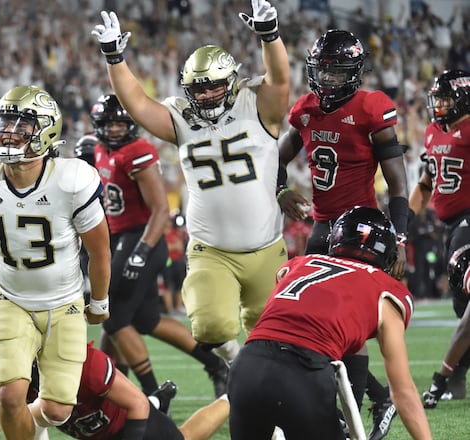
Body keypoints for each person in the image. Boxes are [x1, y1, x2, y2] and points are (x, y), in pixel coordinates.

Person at [91, 0, 290, 364]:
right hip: (211, 248)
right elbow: (136, 103)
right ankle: (233, 360)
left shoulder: (257, 103)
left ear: (231, 81)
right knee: (211, 327)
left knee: (277, 339)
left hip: (266, 245)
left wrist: (270, 36)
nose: (206, 95)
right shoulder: (181, 118)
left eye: (214, 87)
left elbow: (280, 78)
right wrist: (114, 59)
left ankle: (269, 392)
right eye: (198, 89)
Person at [0, 85, 111, 440]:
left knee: (56, 410)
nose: (9, 132)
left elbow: (99, 249)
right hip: (11, 302)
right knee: (9, 397)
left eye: (22, 125)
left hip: (64, 303)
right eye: (4, 123)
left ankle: (34, 428)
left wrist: (99, 301)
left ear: (47, 130)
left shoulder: (72, 179)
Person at [275, 29, 410, 437]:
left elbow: (399, 185)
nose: (328, 80)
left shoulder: (371, 108)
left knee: (347, 322)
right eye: (323, 72)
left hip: (361, 230)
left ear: (354, 73)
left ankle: (350, 413)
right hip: (322, 226)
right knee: (312, 322)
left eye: (337, 73)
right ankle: (375, 397)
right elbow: (274, 159)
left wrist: (399, 238)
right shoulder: (306, 110)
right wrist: (280, 190)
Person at [228, 206, 432, 440]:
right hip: (302, 374)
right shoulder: (386, 290)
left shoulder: (297, 265)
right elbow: (403, 390)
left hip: (247, 366)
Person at [90, 94, 228, 398]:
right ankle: (216, 365)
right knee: (145, 320)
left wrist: (140, 252)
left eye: (119, 123)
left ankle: (146, 395)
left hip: (143, 239)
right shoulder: (100, 149)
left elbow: (160, 210)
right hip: (122, 239)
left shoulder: (138, 151)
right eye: (108, 124)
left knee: (112, 318)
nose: (113, 130)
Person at [0, 342, 230, 440]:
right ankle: (158, 401)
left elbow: (136, 406)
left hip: (129, 425)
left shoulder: (86, 365)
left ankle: (234, 395)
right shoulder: (15, 380)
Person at [411, 69, 470, 405]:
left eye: (446, 98)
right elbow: (426, 180)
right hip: (450, 226)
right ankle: (458, 376)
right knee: (462, 307)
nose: (439, 105)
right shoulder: (434, 132)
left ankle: (446, 376)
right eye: (438, 98)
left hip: (468, 222)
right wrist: (403, 225)